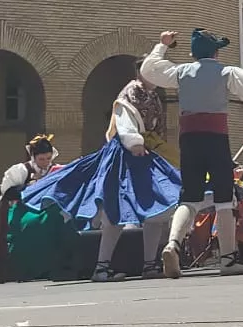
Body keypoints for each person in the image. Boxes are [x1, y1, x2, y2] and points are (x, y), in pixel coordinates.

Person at [21, 79, 184, 282]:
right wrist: (134, 142)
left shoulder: (152, 95)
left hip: (145, 156)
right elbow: (124, 122)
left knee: (156, 209)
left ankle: (149, 264)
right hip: (124, 157)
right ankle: (102, 267)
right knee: (113, 210)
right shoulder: (131, 92)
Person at [139, 29, 243, 277]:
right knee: (224, 197)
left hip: (188, 137)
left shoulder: (181, 72)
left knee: (189, 196)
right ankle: (228, 259)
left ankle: (173, 244)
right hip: (216, 137)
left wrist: (162, 45)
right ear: (216, 52)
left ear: (192, 53)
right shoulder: (226, 72)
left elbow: (149, 70)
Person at [0, 135, 76, 281]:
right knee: (32, 226)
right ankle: (28, 270)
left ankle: (60, 267)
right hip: (25, 209)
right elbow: (7, 192)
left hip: (51, 209)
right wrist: (29, 187)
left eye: (48, 158)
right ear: (33, 157)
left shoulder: (56, 169)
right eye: (42, 159)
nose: (46, 163)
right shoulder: (22, 170)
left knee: (64, 223)